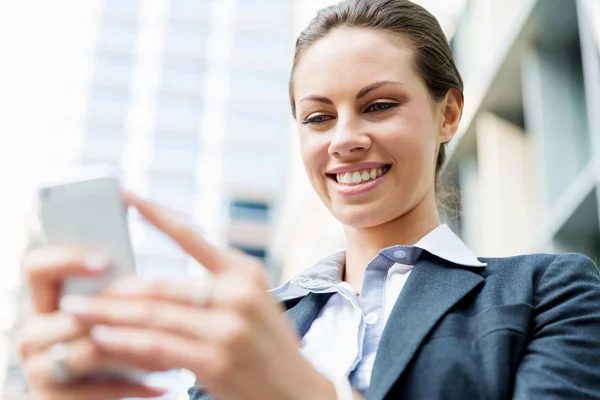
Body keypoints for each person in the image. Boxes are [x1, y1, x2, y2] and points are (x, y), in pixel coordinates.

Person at [17, 0, 600, 399]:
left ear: (448, 113)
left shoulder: (548, 292)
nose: (344, 139)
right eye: (318, 117)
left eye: (378, 106)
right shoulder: (250, 325)